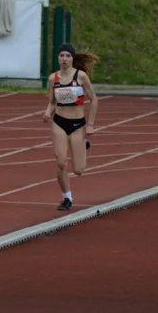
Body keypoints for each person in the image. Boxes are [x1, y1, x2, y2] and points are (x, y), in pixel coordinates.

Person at [42, 43, 100, 211]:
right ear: (58, 58)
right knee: (61, 163)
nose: (64, 59)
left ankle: (84, 145)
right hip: (59, 122)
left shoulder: (80, 76)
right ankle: (66, 197)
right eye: (62, 56)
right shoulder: (53, 79)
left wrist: (90, 124)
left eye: (68, 56)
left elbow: (94, 99)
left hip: (78, 125)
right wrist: (48, 113)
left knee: (79, 170)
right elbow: (52, 102)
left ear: (72, 59)